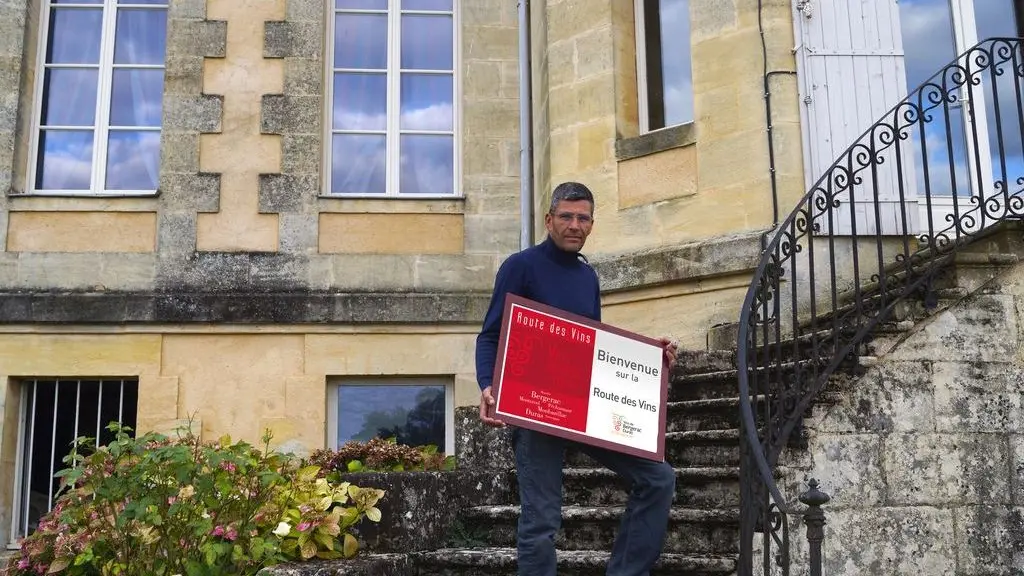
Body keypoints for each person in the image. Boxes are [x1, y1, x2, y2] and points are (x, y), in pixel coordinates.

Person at [474, 181, 679, 576]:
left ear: (591, 224)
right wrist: (488, 384)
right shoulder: (521, 266)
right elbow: (491, 335)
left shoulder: (588, 276)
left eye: (582, 218)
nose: (574, 225)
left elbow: (593, 344)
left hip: (585, 406)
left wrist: (651, 355)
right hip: (534, 409)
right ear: (549, 219)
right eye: (566, 216)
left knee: (658, 478)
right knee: (541, 519)